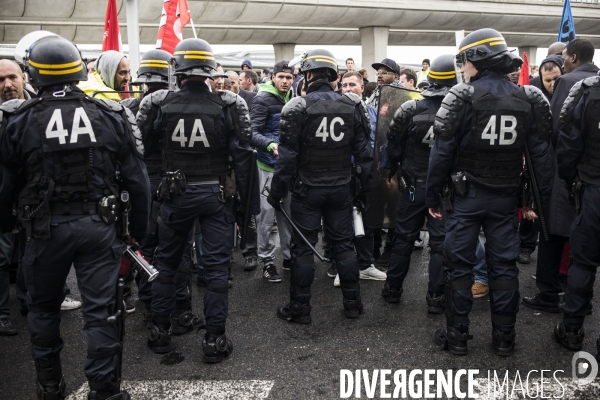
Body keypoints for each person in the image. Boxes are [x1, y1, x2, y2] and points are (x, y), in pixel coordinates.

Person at [0, 36, 150, 400]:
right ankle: (105, 389)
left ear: (33, 73)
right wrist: (137, 233)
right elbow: (137, 181)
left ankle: (49, 387)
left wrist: (9, 224)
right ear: (80, 71)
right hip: (99, 228)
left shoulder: (17, 120)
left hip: (44, 230)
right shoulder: (109, 113)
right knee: (102, 313)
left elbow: (5, 184)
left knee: (43, 311)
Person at [427, 28, 555, 357]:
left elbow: (440, 155)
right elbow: (542, 160)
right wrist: (540, 203)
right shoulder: (530, 98)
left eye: (465, 60)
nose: (464, 67)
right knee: (504, 267)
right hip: (505, 199)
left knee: (459, 266)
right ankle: (504, 339)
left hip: (466, 198)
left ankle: (457, 337)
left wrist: (431, 196)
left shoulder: (460, 96)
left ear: (478, 60)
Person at [136, 38, 259, 363]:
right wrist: (246, 208)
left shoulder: (160, 104)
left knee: (166, 264)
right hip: (215, 196)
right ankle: (214, 340)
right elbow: (243, 159)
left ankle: (161, 333)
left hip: (175, 195)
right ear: (209, 70)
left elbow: (143, 151)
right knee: (217, 270)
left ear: (177, 69)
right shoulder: (228, 105)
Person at [268, 49, 373, 323]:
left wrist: (276, 192)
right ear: (334, 76)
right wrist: (363, 193)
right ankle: (353, 305)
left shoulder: (297, 107)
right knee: (344, 246)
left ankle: (300, 310)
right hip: (341, 188)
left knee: (303, 250)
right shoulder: (352, 105)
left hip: (307, 190)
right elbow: (365, 156)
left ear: (308, 75)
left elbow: (287, 157)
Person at [120, 49, 201, 332]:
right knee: (177, 249)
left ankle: (148, 304)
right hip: (173, 186)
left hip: (140, 186)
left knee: (144, 246)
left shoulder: (127, 108)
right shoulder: (180, 104)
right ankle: (180, 307)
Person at [523, 39, 598, 315]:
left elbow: (556, 129)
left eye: (564, 56)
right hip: (593, 176)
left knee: (551, 232)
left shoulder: (569, 83)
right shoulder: (597, 81)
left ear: (574, 57)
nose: (561, 61)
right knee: (583, 240)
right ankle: (578, 295)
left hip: (568, 171)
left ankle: (548, 293)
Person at [382, 55, 458, 313]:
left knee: (403, 239)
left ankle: (393, 290)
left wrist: (389, 170)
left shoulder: (410, 109)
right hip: (446, 192)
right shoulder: (460, 113)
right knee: (439, 245)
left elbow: (393, 145)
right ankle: (436, 298)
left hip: (413, 186)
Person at [553, 72, 600, 352]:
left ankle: (571, 329)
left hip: (593, 186)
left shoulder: (589, 91)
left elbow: (567, 143)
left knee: (582, 263)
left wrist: (573, 182)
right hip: (591, 182)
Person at [250, 60, 295, 283]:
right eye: (282, 77)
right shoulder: (262, 100)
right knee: (266, 217)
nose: (285, 82)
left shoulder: (293, 100)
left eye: (289, 78)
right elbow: (251, 132)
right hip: (267, 167)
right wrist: (269, 144)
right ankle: (267, 262)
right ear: (273, 77)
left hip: (286, 168)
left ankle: (287, 257)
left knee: (287, 216)